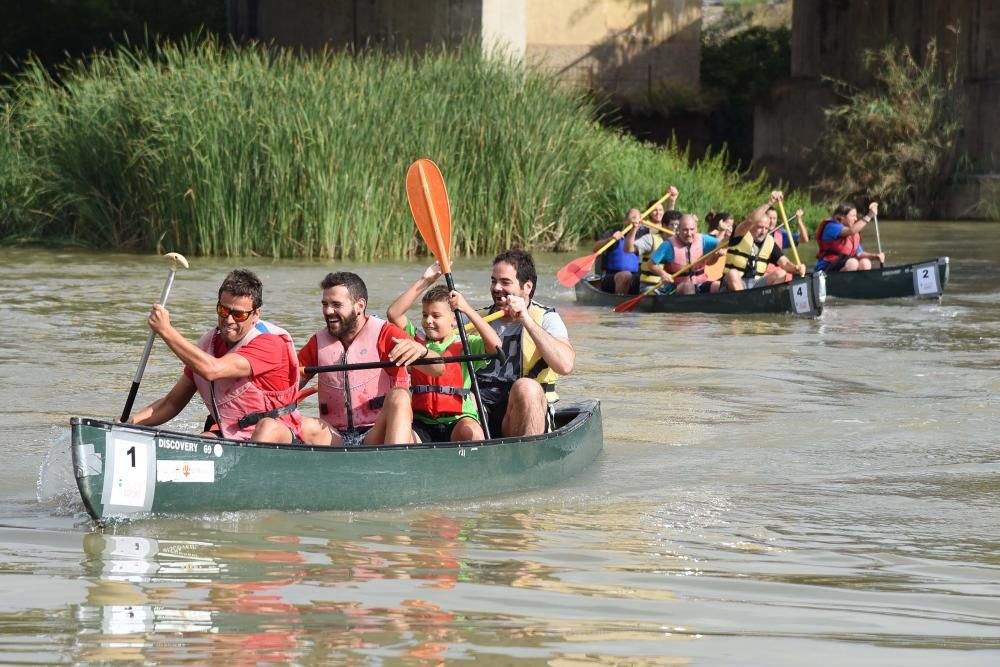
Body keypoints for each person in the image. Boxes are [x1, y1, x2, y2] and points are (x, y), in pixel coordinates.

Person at [128, 269, 304, 444]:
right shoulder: (208, 346)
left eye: (238, 314)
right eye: (223, 310)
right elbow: (171, 403)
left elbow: (213, 370)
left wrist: (166, 330)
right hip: (234, 434)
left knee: (266, 427)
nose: (228, 320)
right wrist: (130, 424)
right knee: (204, 441)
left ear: (256, 314)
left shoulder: (270, 344)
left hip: (281, 436)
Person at [297, 271, 436, 447]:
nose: (328, 311)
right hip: (335, 436)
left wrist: (422, 352)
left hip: (377, 432)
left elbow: (437, 370)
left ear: (360, 306)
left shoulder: (386, 334)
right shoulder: (317, 342)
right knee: (295, 425)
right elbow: (287, 385)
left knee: (400, 396)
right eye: (325, 304)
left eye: (336, 304)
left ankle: (396, 463)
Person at [386, 263, 501, 442]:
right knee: (404, 436)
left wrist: (466, 308)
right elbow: (394, 313)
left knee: (473, 433)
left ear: (453, 319)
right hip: (422, 421)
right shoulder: (416, 341)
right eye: (425, 315)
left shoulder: (467, 344)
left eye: (436, 316)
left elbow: (496, 347)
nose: (428, 321)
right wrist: (426, 280)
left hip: (458, 420)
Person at [477, 249, 575, 438]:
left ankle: (529, 459)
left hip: (524, 410)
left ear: (527, 287)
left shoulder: (547, 318)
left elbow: (565, 365)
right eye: (493, 281)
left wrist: (526, 320)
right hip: (482, 409)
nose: (496, 288)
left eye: (505, 282)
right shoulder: (475, 319)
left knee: (526, 387)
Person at [721, 192, 807, 291]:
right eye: (760, 227)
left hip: (755, 284)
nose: (764, 231)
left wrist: (796, 268)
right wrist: (770, 203)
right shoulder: (739, 233)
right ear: (752, 226)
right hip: (733, 283)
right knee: (732, 274)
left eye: (766, 228)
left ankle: (768, 301)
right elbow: (750, 220)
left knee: (781, 273)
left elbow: (785, 263)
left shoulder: (769, 242)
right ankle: (744, 302)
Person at [648, 213, 723, 294]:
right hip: (676, 287)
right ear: (678, 229)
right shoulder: (668, 245)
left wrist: (725, 234)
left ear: (696, 229)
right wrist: (663, 274)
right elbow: (651, 264)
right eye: (685, 230)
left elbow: (722, 243)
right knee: (688, 287)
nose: (689, 233)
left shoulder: (703, 239)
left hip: (700, 284)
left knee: (718, 286)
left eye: (692, 229)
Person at [626, 185, 681, 288]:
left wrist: (672, 200)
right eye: (654, 210)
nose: (658, 213)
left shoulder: (676, 234)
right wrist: (635, 226)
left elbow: (670, 217)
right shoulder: (645, 229)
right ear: (649, 212)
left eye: (660, 210)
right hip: (650, 282)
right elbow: (629, 248)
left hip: (670, 283)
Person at [815, 202, 885, 272]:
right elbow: (851, 231)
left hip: (844, 265)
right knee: (852, 263)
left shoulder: (853, 235)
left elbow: (859, 254)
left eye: (856, 216)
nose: (856, 219)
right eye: (853, 216)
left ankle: (860, 282)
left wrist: (875, 256)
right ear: (842, 217)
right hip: (826, 267)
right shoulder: (831, 227)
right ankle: (842, 282)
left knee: (865, 263)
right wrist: (869, 216)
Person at [593, 208, 646, 294]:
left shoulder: (642, 235)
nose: (635, 220)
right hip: (611, 276)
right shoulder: (613, 232)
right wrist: (610, 239)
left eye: (638, 217)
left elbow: (663, 230)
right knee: (625, 275)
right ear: (625, 220)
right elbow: (595, 248)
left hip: (635, 275)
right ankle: (620, 302)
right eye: (633, 217)